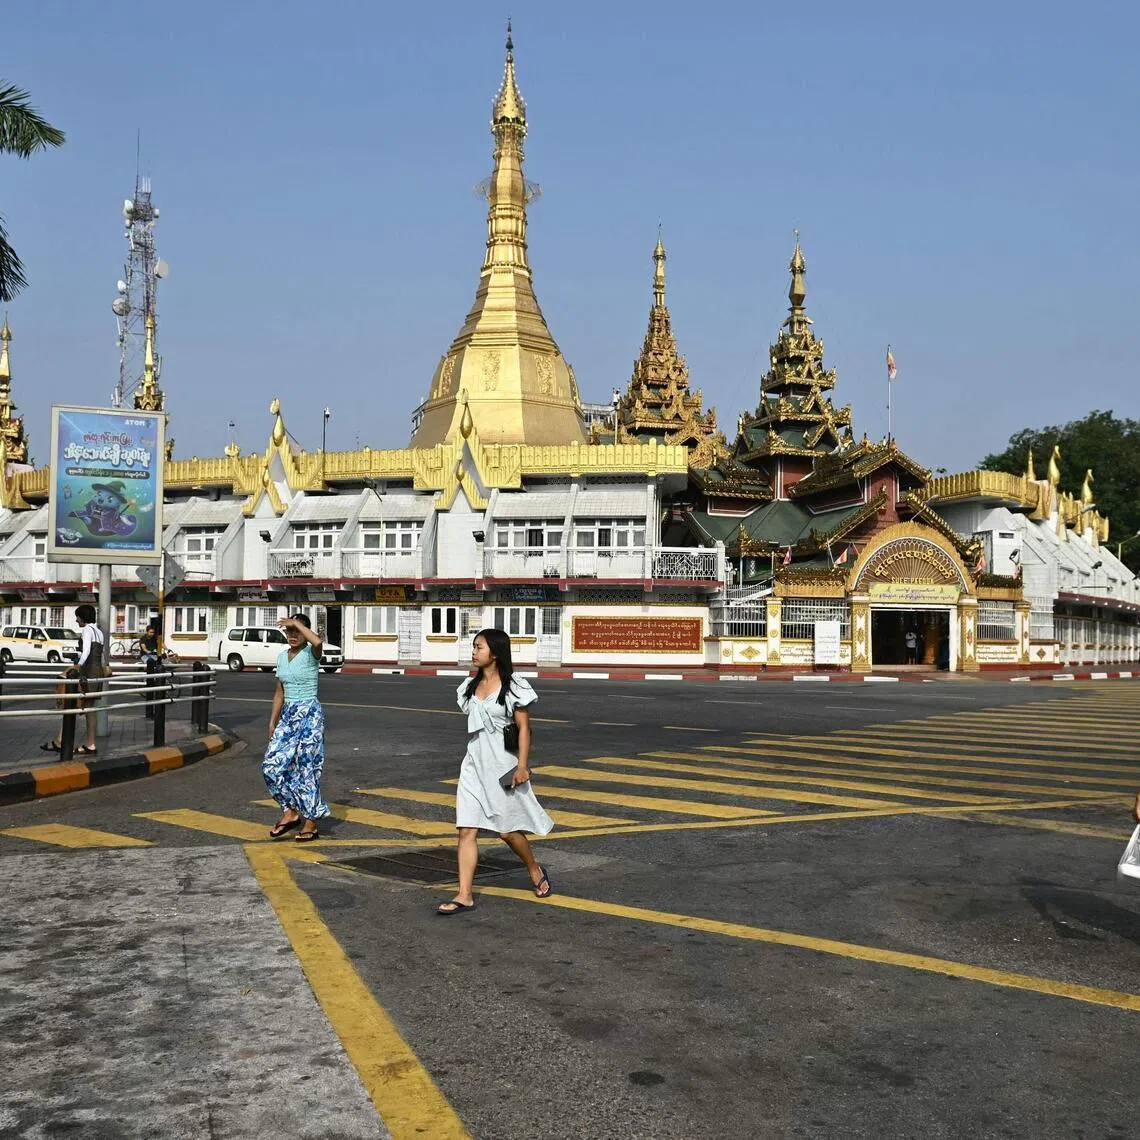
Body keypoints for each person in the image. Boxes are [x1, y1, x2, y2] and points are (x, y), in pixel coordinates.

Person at [438, 627, 554, 916]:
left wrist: (522, 765)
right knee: (466, 829)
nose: (474, 651)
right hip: (474, 764)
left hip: (503, 765)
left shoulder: (514, 686)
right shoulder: (469, 687)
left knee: (507, 831)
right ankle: (464, 894)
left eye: (479, 647)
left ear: (495, 652)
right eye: (474, 646)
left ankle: (533, 868)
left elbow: (524, 728)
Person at [263, 614, 330, 842]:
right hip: (288, 716)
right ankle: (290, 811)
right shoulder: (282, 657)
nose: (292, 636)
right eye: (289, 631)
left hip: (310, 714)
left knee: (306, 768)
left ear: (305, 632)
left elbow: (318, 642)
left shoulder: (311, 654)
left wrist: (297, 623)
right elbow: (279, 692)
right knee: (271, 766)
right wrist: (273, 721)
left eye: (297, 631)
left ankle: (311, 820)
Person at [41, 603, 107, 756]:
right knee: (90, 709)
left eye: (77, 617)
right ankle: (90, 745)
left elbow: (86, 652)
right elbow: (102, 655)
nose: (77, 620)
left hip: (88, 672)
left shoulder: (87, 631)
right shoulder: (99, 632)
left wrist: (76, 667)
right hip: (98, 673)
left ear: (82, 617)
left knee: (72, 705)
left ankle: (60, 742)